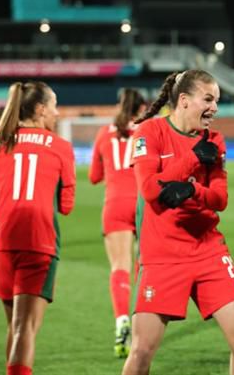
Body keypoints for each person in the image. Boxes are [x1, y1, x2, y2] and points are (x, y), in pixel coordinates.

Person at [122, 70, 234, 375]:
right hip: (163, 255)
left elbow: (220, 198)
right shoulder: (149, 132)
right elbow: (151, 191)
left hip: (208, 250)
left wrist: (192, 189)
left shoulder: (215, 140)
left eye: (217, 101)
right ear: (184, 101)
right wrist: (193, 160)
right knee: (142, 351)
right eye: (208, 99)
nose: (215, 108)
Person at [0, 81, 76, 375]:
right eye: (54, 106)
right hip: (38, 239)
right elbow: (66, 206)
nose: (57, 113)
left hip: (0, 240)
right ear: (40, 110)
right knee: (26, 326)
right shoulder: (61, 146)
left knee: (14, 325)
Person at [89, 88, 146, 358]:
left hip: (114, 204)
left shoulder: (103, 133)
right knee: (145, 267)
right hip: (142, 205)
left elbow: (93, 176)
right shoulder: (146, 130)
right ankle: (142, 328)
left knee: (119, 267)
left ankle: (121, 320)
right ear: (142, 108)